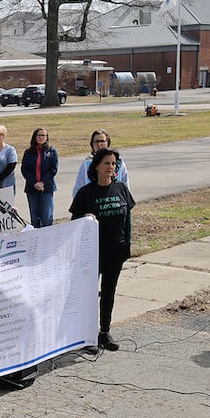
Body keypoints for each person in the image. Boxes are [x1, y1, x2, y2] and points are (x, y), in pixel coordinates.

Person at [69, 147, 136, 352]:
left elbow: (128, 219)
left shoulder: (121, 188)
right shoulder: (86, 193)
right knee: (88, 292)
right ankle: (85, 335)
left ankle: (104, 332)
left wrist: (128, 244)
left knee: (109, 291)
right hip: (92, 252)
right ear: (96, 166)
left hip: (116, 250)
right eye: (107, 163)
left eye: (114, 164)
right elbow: (75, 223)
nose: (111, 167)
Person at [21, 127, 59, 228]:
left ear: (47, 137)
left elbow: (53, 169)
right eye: (39, 135)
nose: (41, 137)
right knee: (35, 217)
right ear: (35, 137)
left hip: (46, 188)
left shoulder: (52, 151)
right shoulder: (28, 152)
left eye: (44, 135)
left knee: (46, 216)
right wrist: (34, 183)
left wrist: (42, 182)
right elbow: (24, 169)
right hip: (32, 188)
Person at [72, 129, 131, 193]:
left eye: (102, 141)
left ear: (107, 143)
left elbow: (125, 185)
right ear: (92, 144)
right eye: (96, 142)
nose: (99, 144)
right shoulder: (87, 163)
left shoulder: (119, 162)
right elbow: (78, 187)